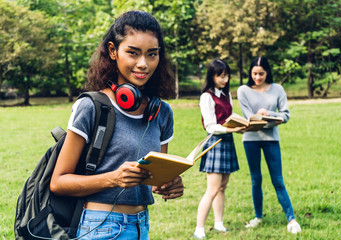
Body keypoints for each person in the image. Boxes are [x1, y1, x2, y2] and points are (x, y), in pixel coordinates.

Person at [50, 11, 184, 240]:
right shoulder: (91, 106)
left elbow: (155, 178)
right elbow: (58, 182)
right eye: (133, 53)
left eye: (152, 54)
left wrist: (170, 184)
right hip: (100, 227)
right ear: (113, 51)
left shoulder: (162, 112)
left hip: (142, 226)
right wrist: (113, 178)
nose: (143, 64)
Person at [237, 57, 301, 234]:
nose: (258, 77)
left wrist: (269, 114)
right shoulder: (243, 90)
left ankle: (292, 219)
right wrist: (270, 120)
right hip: (250, 140)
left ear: (267, 72)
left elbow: (285, 115)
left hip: (271, 140)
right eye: (255, 73)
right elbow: (250, 118)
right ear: (250, 73)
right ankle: (258, 217)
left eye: (261, 73)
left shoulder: (277, 89)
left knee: (277, 180)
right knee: (256, 180)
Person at [193, 59, 244, 239]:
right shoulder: (207, 96)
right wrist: (231, 128)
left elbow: (229, 118)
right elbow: (210, 126)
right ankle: (199, 229)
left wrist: (240, 127)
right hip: (215, 142)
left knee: (222, 187)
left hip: (228, 141)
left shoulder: (226, 95)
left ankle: (219, 223)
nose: (224, 79)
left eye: (226, 76)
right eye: (220, 76)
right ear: (212, 76)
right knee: (212, 189)